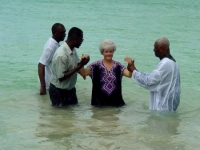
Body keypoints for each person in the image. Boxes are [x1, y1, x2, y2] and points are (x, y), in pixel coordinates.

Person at [125, 37, 180, 111]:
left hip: (163, 108)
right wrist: (134, 70)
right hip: (169, 106)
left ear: (162, 48)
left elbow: (149, 81)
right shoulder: (173, 62)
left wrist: (133, 70)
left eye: (155, 47)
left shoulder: (165, 63)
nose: (153, 50)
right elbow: (153, 77)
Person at [79, 39, 132, 107]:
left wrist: (130, 64)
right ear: (102, 52)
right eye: (106, 52)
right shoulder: (95, 66)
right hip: (98, 105)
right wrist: (81, 62)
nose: (109, 54)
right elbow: (83, 73)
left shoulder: (119, 66)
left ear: (113, 52)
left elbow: (129, 75)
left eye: (111, 51)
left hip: (116, 105)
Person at [49, 27, 90, 107]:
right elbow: (61, 77)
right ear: (76, 38)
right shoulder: (61, 55)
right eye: (81, 39)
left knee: (71, 116)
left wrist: (83, 62)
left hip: (70, 89)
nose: (81, 42)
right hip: (58, 91)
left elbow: (77, 65)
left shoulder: (73, 50)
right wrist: (79, 67)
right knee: (60, 117)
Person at [38, 23, 66, 95]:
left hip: (53, 83)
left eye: (64, 32)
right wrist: (43, 87)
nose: (64, 34)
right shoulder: (50, 46)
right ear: (55, 33)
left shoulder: (55, 44)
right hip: (48, 85)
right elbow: (41, 65)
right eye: (62, 32)